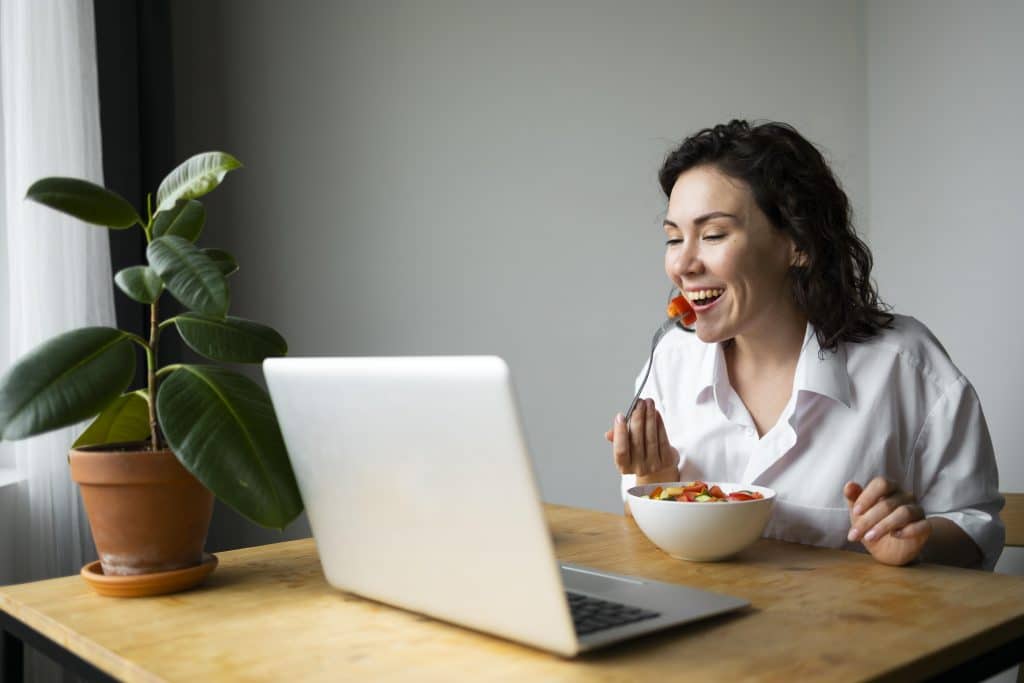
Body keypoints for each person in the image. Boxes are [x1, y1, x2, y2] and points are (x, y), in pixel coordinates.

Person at [608, 120, 1004, 570]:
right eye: (673, 238)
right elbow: (643, 531)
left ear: (798, 242)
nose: (682, 263)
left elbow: (976, 526)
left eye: (713, 234)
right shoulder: (671, 360)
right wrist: (657, 481)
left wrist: (918, 543)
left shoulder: (906, 364)